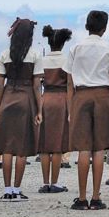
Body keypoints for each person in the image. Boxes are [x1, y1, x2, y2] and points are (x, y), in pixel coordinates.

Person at [64, 9, 109, 210]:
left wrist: (71, 107)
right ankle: (96, 197)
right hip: (103, 95)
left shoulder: (76, 48)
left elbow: (69, 82)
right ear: (104, 28)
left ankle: (82, 197)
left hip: (81, 95)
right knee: (99, 149)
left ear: (86, 26)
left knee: (84, 149)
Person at [0, 18, 43, 202]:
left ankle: (7, 189)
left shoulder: (5, 54)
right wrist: (39, 110)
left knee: (7, 147)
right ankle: (17, 189)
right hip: (26, 98)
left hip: (8, 98)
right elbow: (37, 86)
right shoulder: (35, 55)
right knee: (21, 148)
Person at [38, 25, 72, 194]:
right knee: (58, 143)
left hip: (46, 99)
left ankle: (45, 182)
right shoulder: (66, 60)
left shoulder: (42, 60)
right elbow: (71, 84)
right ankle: (55, 182)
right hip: (62, 100)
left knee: (45, 144)